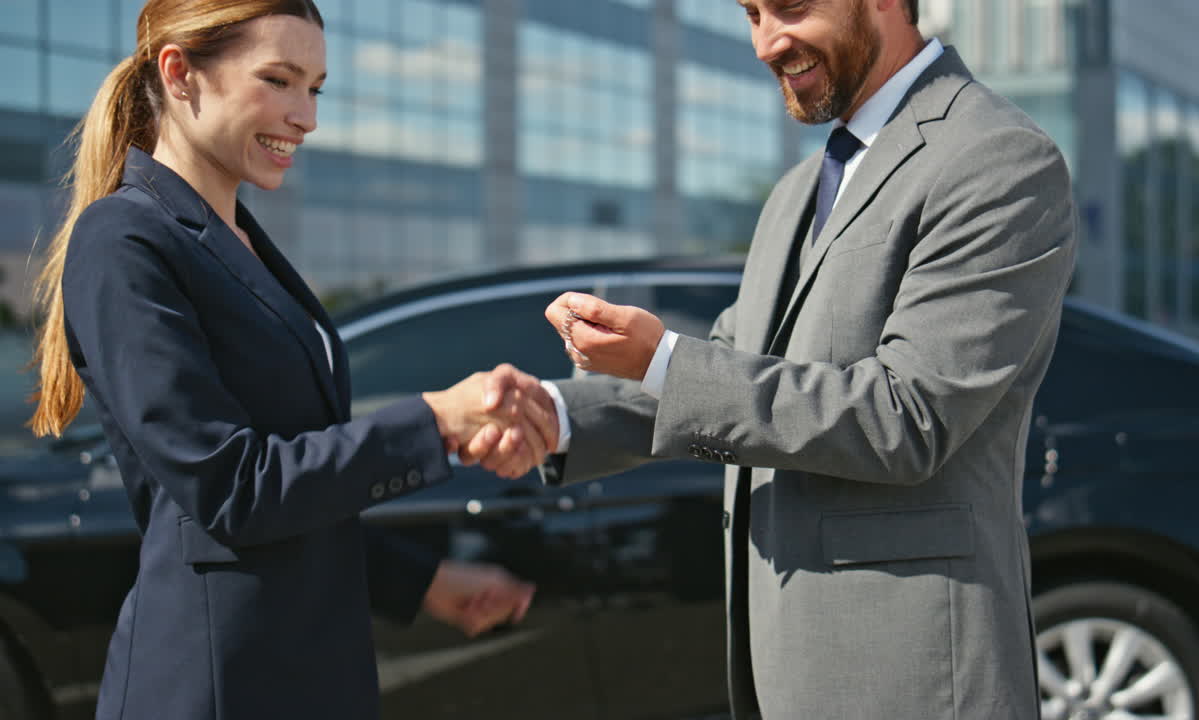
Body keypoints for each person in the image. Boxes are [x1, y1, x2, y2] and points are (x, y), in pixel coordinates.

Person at [477, 0, 1077, 717]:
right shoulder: (797, 192)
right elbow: (732, 368)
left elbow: (907, 417)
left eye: (789, 7)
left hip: (914, 675)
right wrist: (556, 417)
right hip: (789, 668)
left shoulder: (998, 156)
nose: (766, 42)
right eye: (751, 13)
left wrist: (661, 358)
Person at [27, 1, 556, 718]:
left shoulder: (238, 240)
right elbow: (229, 489)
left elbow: (292, 482)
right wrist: (433, 420)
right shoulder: (125, 238)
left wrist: (421, 582)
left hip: (298, 672)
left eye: (315, 87)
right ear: (179, 73)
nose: (305, 117)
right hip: (217, 683)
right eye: (278, 80)